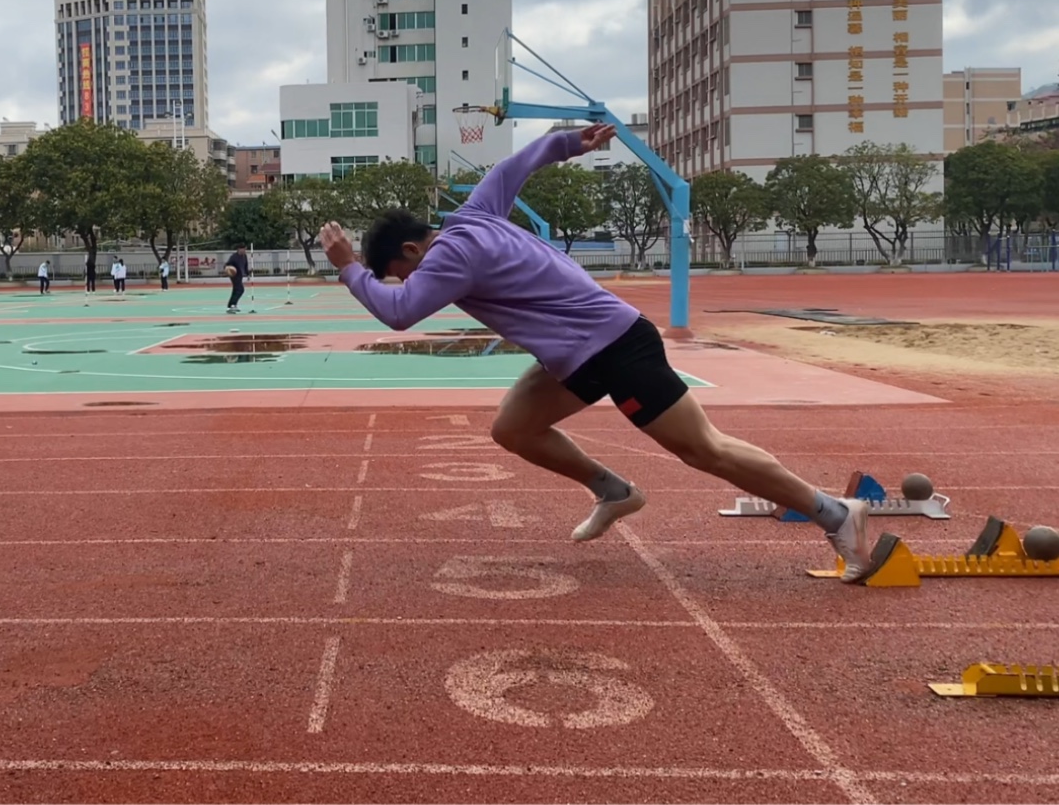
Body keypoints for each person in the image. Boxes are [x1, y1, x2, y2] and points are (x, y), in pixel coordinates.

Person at [316, 123, 874, 582]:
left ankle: (835, 513)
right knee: (514, 428)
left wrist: (349, 267)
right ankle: (614, 491)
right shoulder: (476, 212)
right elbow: (513, 167)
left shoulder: (447, 257)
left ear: (413, 250)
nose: (409, 281)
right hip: (576, 356)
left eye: (400, 273)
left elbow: (399, 313)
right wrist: (565, 143)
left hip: (613, 347)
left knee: (706, 450)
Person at [224, 246, 249, 314]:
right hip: (234, 275)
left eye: (245, 249)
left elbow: (245, 265)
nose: (244, 250)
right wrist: (228, 269)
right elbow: (227, 264)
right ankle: (232, 305)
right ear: (239, 249)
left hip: (240, 275)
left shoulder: (244, 256)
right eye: (243, 249)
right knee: (240, 289)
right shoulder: (234, 257)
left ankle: (231, 305)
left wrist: (247, 274)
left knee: (236, 290)